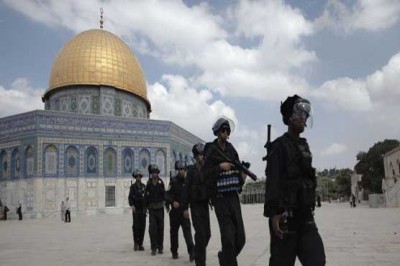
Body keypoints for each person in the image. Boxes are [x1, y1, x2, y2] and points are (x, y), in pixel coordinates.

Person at [264, 94, 325, 266]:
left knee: (317, 260)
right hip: (285, 218)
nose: (303, 117)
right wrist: (274, 214)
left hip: (305, 217)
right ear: (290, 117)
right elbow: (272, 182)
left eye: (305, 114)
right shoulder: (278, 146)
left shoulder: (304, 145)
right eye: (299, 113)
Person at [202, 117, 246, 266]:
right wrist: (220, 167)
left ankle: (224, 258)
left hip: (233, 197)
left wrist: (242, 177)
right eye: (223, 130)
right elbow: (204, 174)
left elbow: (238, 168)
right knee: (228, 238)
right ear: (217, 132)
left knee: (240, 238)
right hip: (219, 198)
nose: (225, 133)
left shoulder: (231, 149)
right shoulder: (210, 149)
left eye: (227, 130)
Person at [182, 143, 211, 266]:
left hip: (205, 205)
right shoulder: (191, 171)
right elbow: (186, 190)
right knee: (200, 234)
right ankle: (200, 262)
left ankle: (196, 251)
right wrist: (185, 208)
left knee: (207, 234)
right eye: (200, 154)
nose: (202, 157)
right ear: (195, 156)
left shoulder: (207, 169)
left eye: (203, 154)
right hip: (195, 206)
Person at [165, 160, 195, 260]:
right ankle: (174, 252)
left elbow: (191, 196)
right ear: (177, 170)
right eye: (180, 169)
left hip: (184, 211)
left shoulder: (187, 182)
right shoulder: (173, 181)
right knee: (174, 233)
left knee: (187, 233)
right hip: (174, 212)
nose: (182, 171)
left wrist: (187, 207)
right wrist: (173, 202)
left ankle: (192, 252)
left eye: (183, 169)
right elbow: (167, 194)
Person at [144, 164, 165, 256]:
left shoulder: (161, 183)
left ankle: (160, 247)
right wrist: (145, 208)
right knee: (152, 229)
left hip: (160, 209)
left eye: (156, 172)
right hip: (152, 209)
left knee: (160, 229)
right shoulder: (148, 184)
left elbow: (164, 195)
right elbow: (145, 197)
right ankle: (153, 248)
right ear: (151, 174)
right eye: (153, 173)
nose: (154, 174)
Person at [128, 169, 147, 251]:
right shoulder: (133, 187)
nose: (138, 177)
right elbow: (130, 198)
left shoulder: (144, 186)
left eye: (139, 176)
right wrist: (132, 205)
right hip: (136, 209)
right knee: (136, 227)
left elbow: (146, 198)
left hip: (143, 209)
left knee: (142, 226)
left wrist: (146, 207)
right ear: (135, 177)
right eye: (137, 176)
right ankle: (136, 243)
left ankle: (140, 244)